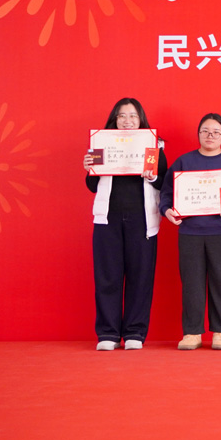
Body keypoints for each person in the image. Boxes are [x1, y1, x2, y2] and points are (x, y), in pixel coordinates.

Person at [160, 114, 221, 351]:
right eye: (205, 131)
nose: (210, 136)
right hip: (190, 232)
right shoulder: (184, 162)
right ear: (198, 134)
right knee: (192, 282)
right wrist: (167, 211)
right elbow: (167, 192)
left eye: (216, 132)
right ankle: (192, 333)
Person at [83, 98, 168, 351]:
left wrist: (152, 175)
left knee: (140, 276)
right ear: (115, 119)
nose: (127, 121)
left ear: (141, 119)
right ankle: (107, 333)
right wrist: (89, 168)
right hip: (107, 218)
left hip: (142, 219)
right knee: (107, 276)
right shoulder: (101, 142)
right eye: (122, 116)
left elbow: (163, 182)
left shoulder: (154, 144)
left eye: (133, 116)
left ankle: (134, 332)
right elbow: (92, 185)